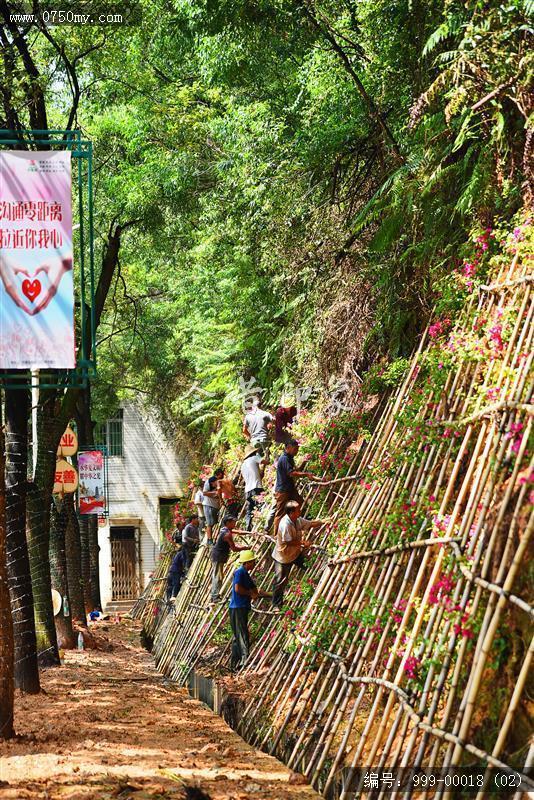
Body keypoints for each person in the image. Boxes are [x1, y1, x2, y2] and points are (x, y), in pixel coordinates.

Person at [272, 501, 328, 608]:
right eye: (298, 509)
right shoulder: (285, 524)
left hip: (295, 553)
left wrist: (323, 522)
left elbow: (310, 523)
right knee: (280, 581)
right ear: (291, 512)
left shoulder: (297, 520)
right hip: (283, 557)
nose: (300, 510)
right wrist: (303, 542)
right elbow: (288, 541)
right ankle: (276, 605)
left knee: (310, 566)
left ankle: (318, 586)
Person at [229, 550, 270, 671]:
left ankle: (235, 664)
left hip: (240, 607)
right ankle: (243, 662)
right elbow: (237, 589)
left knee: (238, 635)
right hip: (237, 607)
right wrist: (249, 594)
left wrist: (270, 595)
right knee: (242, 635)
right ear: (247, 563)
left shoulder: (245, 574)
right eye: (253, 561)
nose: (254, 563)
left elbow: (256, 591)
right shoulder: (240, 572)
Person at [272, 439, 315, 535]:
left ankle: (302, 524)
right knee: (280, 513)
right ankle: (276, 535)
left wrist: (303, 463)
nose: (297, 451)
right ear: (288, 448)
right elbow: (292, 473)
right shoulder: (284, 459)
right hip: (283, 490)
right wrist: (306, 474)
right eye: (295, 449)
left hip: (289, 489)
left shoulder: (289, 458)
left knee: (299, 503)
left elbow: (295, 470)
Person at [210, 515, 249, 602]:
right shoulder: (227, 534)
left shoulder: (225, 530)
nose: (235, 523)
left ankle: (215, 595)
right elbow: (234, 549)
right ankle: (214, 596)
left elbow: (238, 532)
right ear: (228, 523)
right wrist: (245, 548)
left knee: (218, 575)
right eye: (233, 522)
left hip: (218, 555)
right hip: (218, 556)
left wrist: (250, 533)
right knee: (218, 576)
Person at [240, 444, 267, 531]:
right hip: (256, 488)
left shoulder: (243, 465)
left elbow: (258, 475)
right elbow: (266, 461)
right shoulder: (254, 458)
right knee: (260, 505)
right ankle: (262, 526)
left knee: (250, 509)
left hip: (247, 490)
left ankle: (248, 527)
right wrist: (266, 455)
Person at [203, 467, 224, 543]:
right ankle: (209, 540)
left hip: (215, 505)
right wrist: (215, 493)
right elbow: (204, 493)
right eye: (221, 476)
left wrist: (220, 499)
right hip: (209, 505)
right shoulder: (209, 481)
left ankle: (213, 538)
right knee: (209, 523)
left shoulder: (219, 482)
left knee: (214, 522)